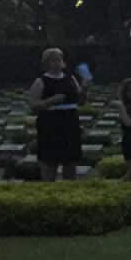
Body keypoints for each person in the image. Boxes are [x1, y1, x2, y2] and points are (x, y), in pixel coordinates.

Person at [27, 48, 87, 181]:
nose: (56, 63)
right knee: (50, 162)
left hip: (70, 123)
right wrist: (51, 101)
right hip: (50, 125)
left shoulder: (71, 78)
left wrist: (84, 89)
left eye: (58, 60)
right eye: (52, 60)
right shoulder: (41, 81)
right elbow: (33, 105)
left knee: (71, 162)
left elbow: (80, 101)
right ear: (46, 63)